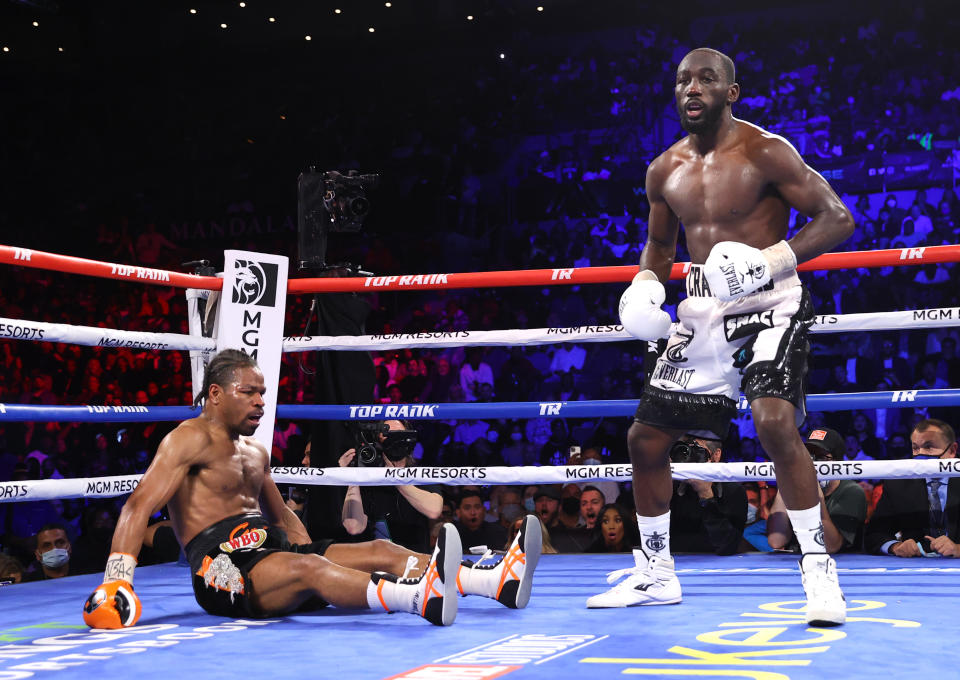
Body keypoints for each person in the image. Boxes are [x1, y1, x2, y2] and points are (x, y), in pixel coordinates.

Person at [588, 48, 854, 627]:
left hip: (769, 302)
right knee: (645, 439)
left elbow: (837, 218)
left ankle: (817, 568)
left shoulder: (766, 150)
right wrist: (643, 286)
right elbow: (661, 245)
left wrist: (771, 261)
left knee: (774, 422)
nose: (692, 89)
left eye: (707, 80)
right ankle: (657, 573)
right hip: (705, 306)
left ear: (730, 92)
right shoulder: (664, 169)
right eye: (684, 80)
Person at [81, 350, 538, 630]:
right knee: (313, 566)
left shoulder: (255, 453)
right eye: (249, 392)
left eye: (263, 392)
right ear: (216, 394)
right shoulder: (186, 438)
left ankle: (493, 582)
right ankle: (417, 598)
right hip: (223, 567)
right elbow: (139, 504)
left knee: (378, 547)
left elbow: (280, 519)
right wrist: (117, 580)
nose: (261, 401)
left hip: (271, 550)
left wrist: (313, 548)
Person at [339, 420, 442, 554]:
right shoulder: (368, 479)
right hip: (374, 565)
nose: (393, 440)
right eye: (387, 434)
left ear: (409, 440)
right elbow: (353, 527)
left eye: (398, 435)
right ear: (377, 441)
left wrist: (395, 478)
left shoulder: (421, 474)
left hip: (414, 564)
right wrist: (352, 477)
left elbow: (433, 510)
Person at [865, 419, 960, 557]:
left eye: (928, 447)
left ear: (952, 451)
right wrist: (895, 546)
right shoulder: (898, 485)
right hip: (915, 566)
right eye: (915, 448)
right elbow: (873, 535)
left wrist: (957, 549)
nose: (921, 454)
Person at [767, 428, 867, 553]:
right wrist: (785, 486)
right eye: (808, 455)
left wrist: (814, 495)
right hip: (797, 563)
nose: (812, 462)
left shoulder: (851, 492)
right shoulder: (796, 489)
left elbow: (831, 546)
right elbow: (776, 541)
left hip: (840, 566)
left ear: (837, 461)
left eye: (820, 457)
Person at [668, 437, 747, 555]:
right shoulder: (669, 488)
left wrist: (706, 495)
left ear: (716, 455)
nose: (689, 458)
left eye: (697, 451)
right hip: (675, 563)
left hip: (718, 566)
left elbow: (728, 547)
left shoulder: (733, 490)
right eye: (685, 451)